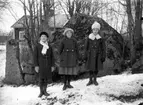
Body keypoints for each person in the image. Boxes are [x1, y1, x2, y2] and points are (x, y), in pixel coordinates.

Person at [84, 21, 106, 86]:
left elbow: (103, 48)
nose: (95, 31)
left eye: (97, 30)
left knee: (96, 68)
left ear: (98, 30)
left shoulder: (100, 38)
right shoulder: (89, 38)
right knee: (90, 68)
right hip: (90, 55)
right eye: (94, 29)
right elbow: (86, 47)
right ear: (92, 30)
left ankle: (95, 80)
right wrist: (85, 55)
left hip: (98, 55)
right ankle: (90, 80)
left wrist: (103, 56)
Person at [34, 32, 55, 98]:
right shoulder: (37, 46)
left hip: (47, 64)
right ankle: (41, 92)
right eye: (42, 36)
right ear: (40, 38)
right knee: (40, 78)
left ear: (47, 38)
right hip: (40, 64)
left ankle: (45, 91)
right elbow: (35, 56)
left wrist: (52, 65)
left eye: (45, 36)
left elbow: (52, 56)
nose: (43, 37)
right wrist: (36, 65)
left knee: (45, 78)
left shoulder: (49, 46)